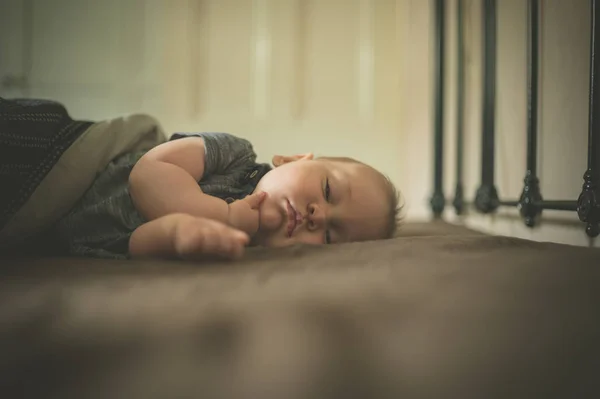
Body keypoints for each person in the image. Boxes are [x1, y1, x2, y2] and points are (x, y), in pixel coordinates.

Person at [52, 132, 403, 260]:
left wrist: (178, 235)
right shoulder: (235, 157)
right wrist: (222, 215)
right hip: (64, 159)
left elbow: (136, 243)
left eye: (329, 237)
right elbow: (149, 173)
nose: (320, 216)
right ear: (292, 159)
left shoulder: (232, 249)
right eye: (328, 191)